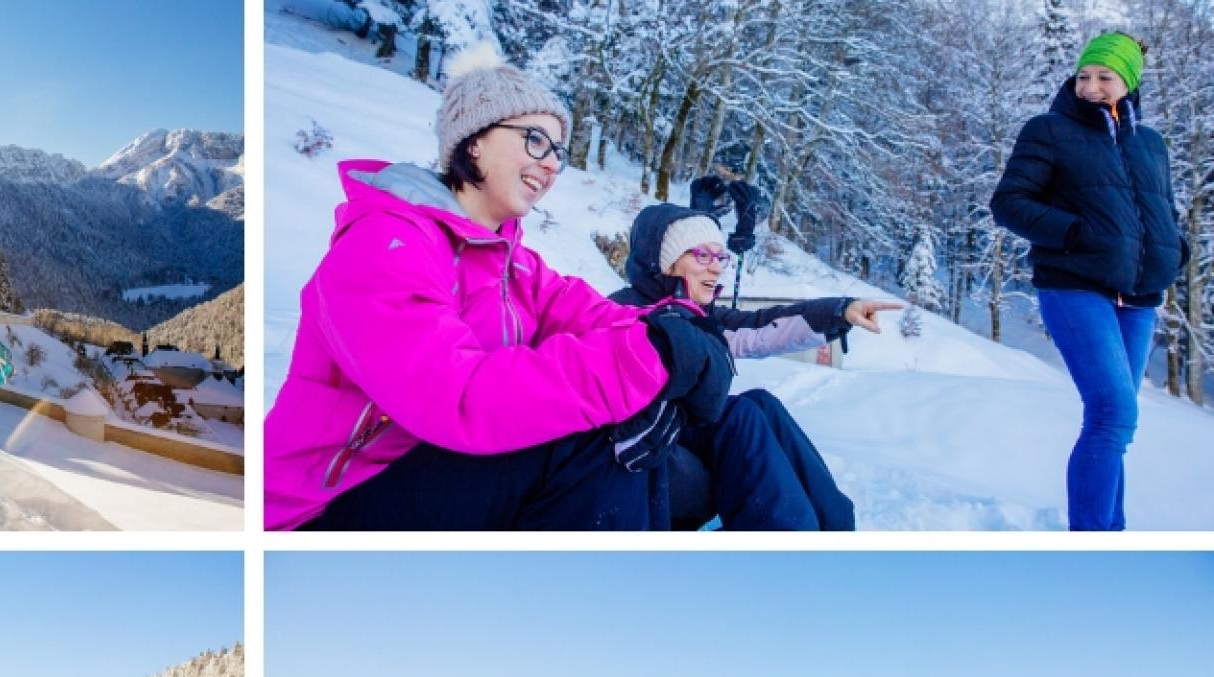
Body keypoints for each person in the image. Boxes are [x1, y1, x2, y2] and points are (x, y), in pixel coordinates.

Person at [264, 44, 734, 530]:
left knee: (731, 418)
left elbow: (600, 317)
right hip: (327, 506)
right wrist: (651, 357)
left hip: (434, 473)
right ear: (474, 142)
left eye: (558, 152)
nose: (551, 165)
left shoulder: (513, 266)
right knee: (590, 438)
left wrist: (685, 333)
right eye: (536, 140)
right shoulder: (384, 245)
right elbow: (457, 394)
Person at [991, 31, 1186, 530]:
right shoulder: (1049, 130)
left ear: (1129, 83)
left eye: (1105, 77)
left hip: (1139, 298)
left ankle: (1109, 534)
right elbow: (1009, 203)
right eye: (1084, 76)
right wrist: (1075, 233)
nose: (1091, 86)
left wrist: (1174, 249)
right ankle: (1092, 540)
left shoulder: (1151, 144)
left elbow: (1163, 209)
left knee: (1116, 423)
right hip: (1074, 287)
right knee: (1113, 413)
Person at [610, 204, 896, 529]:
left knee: (761, 402)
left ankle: (836, 527)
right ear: (664, 262)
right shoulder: (623, 314)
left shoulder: (694, 315)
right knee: (740, 415)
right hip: (647, 457)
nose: (716, 268)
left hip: (682, 439)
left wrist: (839, 312)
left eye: (720, 257)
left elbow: (760, 328)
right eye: (702, 256)